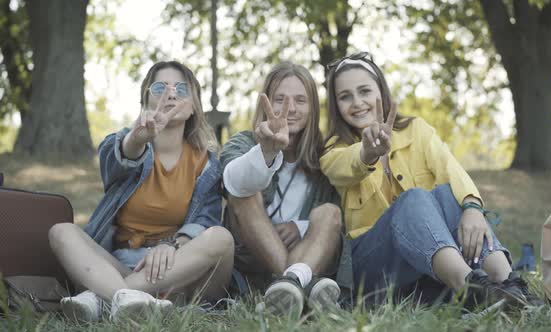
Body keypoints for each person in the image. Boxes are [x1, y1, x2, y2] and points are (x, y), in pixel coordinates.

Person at [320, 52, 538, 310]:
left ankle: (508, 284)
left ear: (381, 92)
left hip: (424, 270)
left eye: (365, 91)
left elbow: (450, 169)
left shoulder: (416, 130)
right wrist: (369, 151)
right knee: (414, 197)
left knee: (448, 195)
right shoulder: (332, 151)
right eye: (345, 96)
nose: (357, 102)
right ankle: (469, 288)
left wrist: (472, 208)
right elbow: (348, 165)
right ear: (336, 105)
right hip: (372, 267)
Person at [48, 61, 234, 322]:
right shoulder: (126, 143)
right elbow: (116, 161)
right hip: (119, 263)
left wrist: (173, 245)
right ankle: (132, 300)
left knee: (221, 238)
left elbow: (206, 220)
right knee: (61, 232)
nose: (170, 94)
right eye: (160, 87)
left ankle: (104, 297)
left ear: (194, 107)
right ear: (145, 99)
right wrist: (137, 138)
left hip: (177, 268)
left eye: (181, 89)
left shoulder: (207, 164)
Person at [220, 62, 352, 317]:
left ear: (312, 108)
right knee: (244, 195)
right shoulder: (244, 143)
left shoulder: (325, 155)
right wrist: (266, 152)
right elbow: (233, 182)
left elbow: (339, 224)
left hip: (308, 254)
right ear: (266, 103)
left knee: (330, 212)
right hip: (253, 264)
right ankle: (297, 286)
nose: (290, 109)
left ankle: (285, 291)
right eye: (280, 99)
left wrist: (299, 226)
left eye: (300, 100)